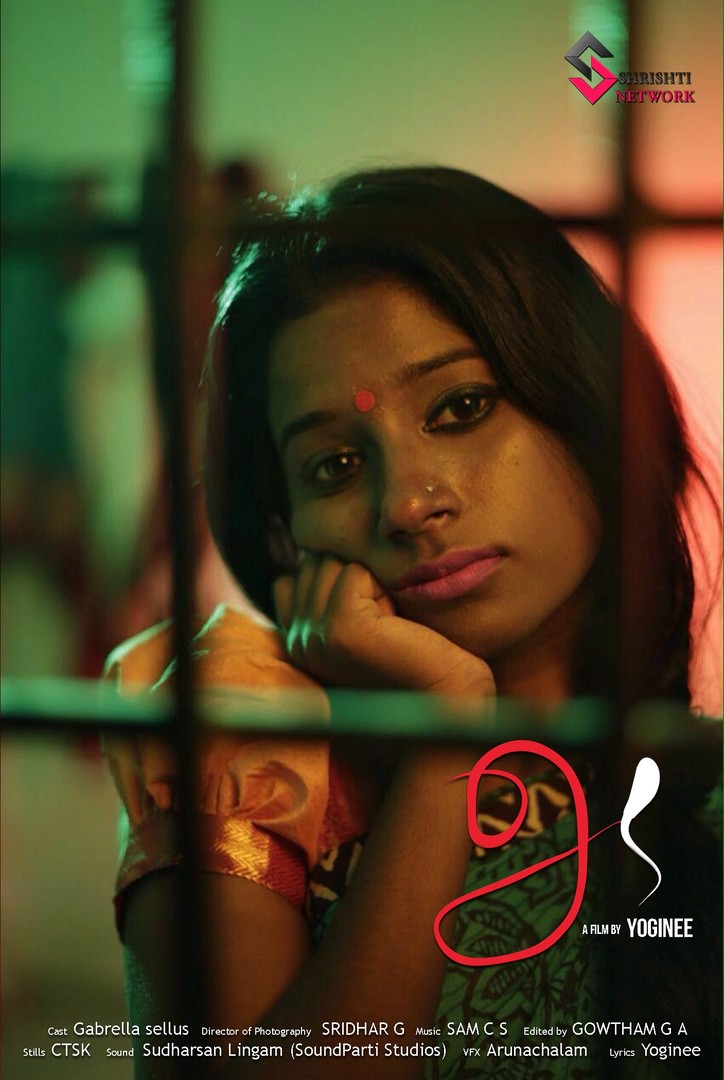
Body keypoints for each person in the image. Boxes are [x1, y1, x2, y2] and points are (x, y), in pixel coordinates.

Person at [107, 167, 721, 1078]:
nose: (406, 503)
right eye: (336, 466)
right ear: (282, 534)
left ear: (592, 411)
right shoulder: (252, 753)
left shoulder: (702, 790)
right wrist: (443, 738)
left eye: (460, 408)